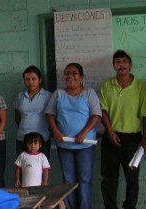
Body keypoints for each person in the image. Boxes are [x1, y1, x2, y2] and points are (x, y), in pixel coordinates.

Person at [45, 63, 101, 209]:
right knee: (68, 180)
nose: (70, 76)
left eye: (74, 73)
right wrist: (56, 131)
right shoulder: (58, 94)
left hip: (85, 144)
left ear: (81, 77)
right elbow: (50, 114)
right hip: (64, 144)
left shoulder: (89, 93)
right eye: (67, 73)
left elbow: (96, 115)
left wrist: (84, 132)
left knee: (85, 179)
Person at [100, 50, 146, 209]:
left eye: (124, 61)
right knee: (109, 178)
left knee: (132, 178)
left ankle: (129, 207)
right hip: (111, 136)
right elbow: (103, 111)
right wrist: (110, 132)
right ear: (113, 66)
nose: (121, 65)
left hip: (133, 139)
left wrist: (145, 138)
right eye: (117, 62)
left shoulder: (140, 86)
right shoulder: (107, 85)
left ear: (130, 65)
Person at [14, 65, 52, 159]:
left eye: (33, 79)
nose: (30, 82)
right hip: (22, 138)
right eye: (27, 79)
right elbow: (17, 118)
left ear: (40, 80)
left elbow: (52, 118)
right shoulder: (20, 96)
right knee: (23, 169)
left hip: (42, 139)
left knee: (41, 169)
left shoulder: (48, 96)